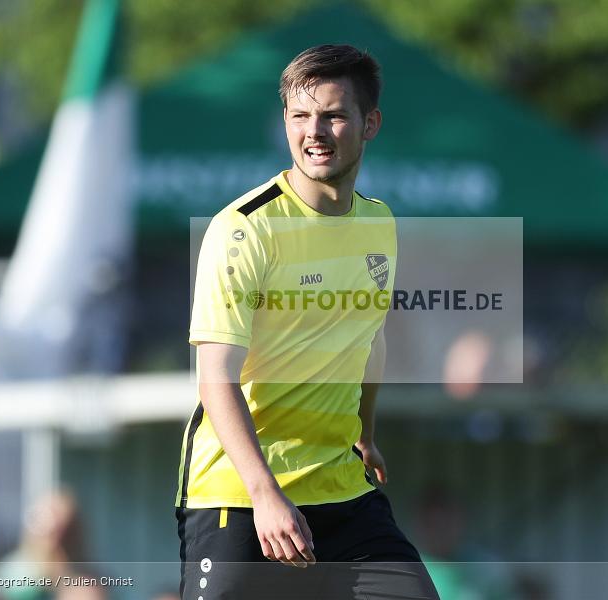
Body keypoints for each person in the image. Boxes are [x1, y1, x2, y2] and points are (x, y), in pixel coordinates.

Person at [175, 45, 439, 600]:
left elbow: (370, 338)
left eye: (333, 115)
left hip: (340, 489)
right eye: (300, 116)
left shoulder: (379, 223)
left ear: (371, 124)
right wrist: (265, 494)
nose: (313, 132)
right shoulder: (244, 229)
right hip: (240, 494)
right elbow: (214, 377)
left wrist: (365, 434)